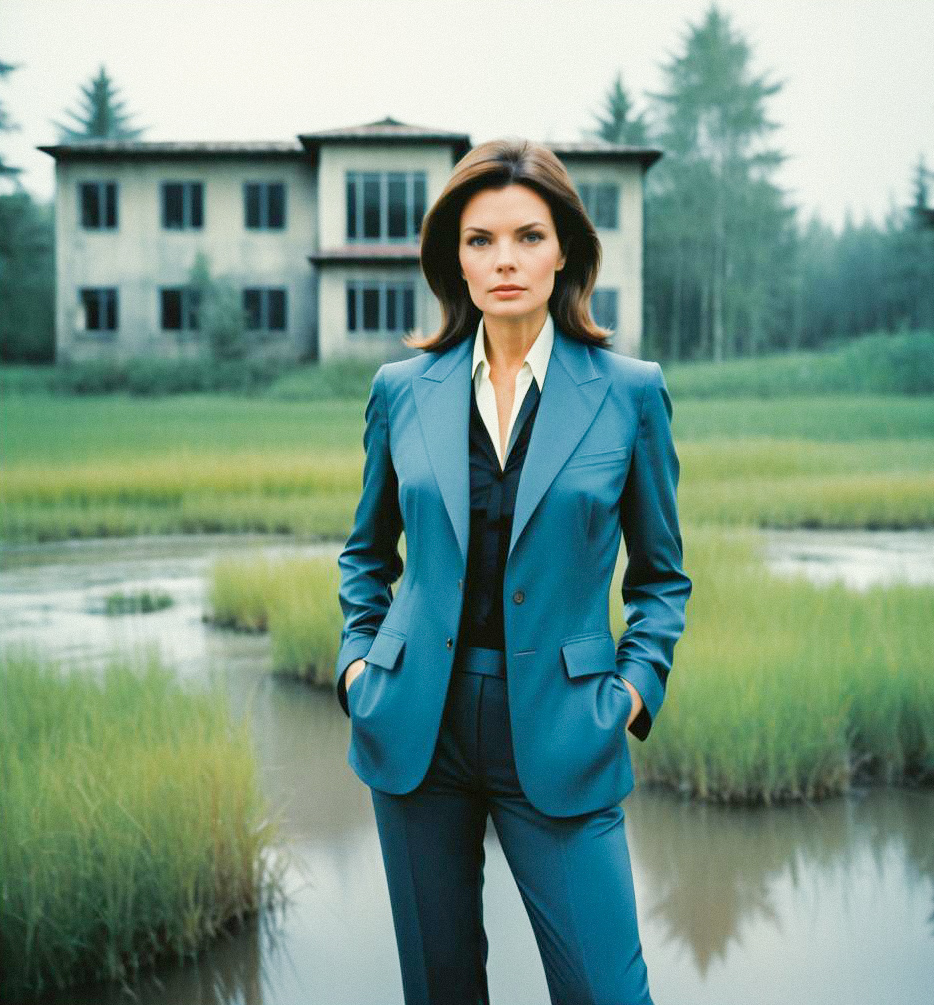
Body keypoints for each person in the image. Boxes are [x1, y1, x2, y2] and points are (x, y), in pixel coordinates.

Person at [334, 137, 692, 1005]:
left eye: (528, 236)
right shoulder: (399, 390)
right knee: (441, 990)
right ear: (452, 258)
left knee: (610, 992)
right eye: (480, 239)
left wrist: (632, 691)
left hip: (567, 725)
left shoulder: (629, 391)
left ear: (565, 247)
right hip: (417, 727)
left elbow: (660, 577)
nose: (504, 260)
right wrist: (357, 670)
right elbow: (365, 555)